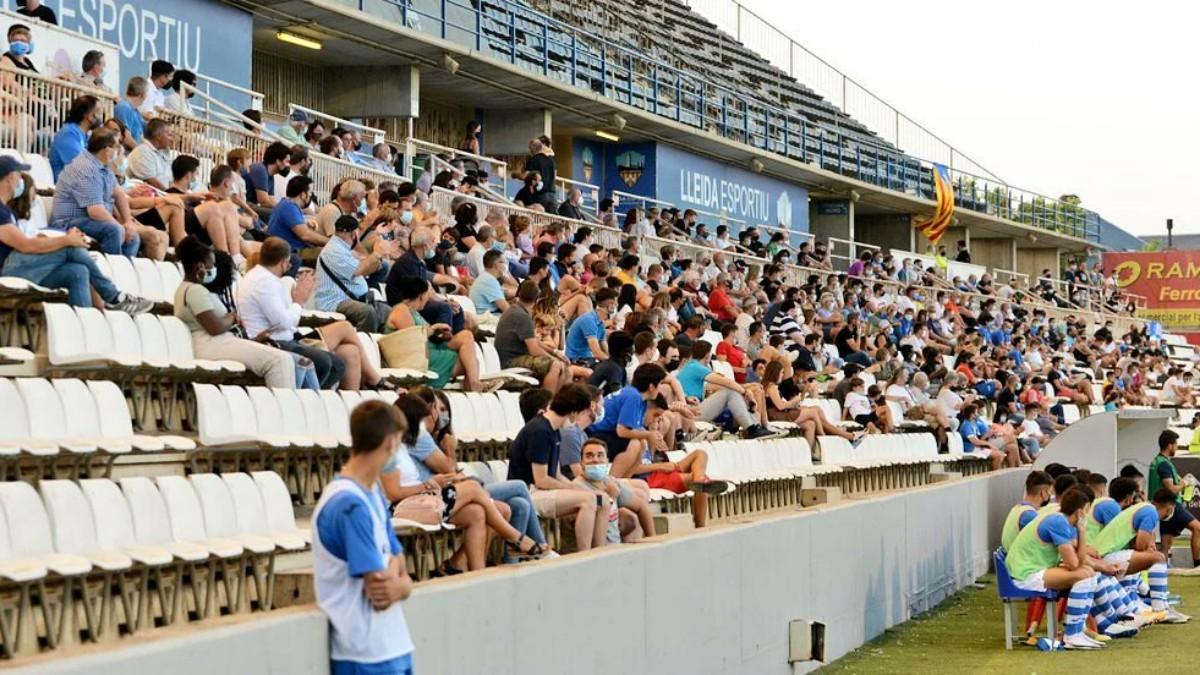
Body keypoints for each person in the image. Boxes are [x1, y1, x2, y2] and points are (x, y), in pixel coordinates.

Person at [312, 399, 415, 675]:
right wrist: (402, 583)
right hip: (365, 653)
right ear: (391, 443)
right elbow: (379, 588)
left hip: (393, 644)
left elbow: (399, 564)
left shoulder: (373, 494)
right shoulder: (349, 505)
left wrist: (402, 584)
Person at [239, 237, 394, 391]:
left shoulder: (265, 278)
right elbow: (284, 323)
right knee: (333, 358)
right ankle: (371, 381)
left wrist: (297, 301)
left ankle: (351, 404)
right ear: (285, 262)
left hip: (285, 336)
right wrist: (299, 301)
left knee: (349, 351)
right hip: (277, 342)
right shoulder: (265, 282)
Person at [0, 157, 151, 312]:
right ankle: (113, 296)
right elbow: (25, 245)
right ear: (10, 177)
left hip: (21, 267)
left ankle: (86, 326)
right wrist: (66, 240)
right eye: (19, 174)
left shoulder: (5, 211)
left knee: (78, 272)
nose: (21, 180)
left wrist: (65, 239)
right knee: (70, 246)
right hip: (7, 270)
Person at [1005, 486, 1142, 649]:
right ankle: (1075, 633)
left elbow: (1081, 559)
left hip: (1028, 571)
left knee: (1089, 572)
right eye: (1087, 510)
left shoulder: (1062, 521)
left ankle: (1089, 627)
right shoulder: (1058, 522)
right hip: (1024, 576)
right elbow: (1074, 564)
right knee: (1085, 574)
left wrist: (1103, 566)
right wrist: (1082, 532)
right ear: (1080, 511)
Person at [174, 236, 295, 387]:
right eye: (211, 265)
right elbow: (215, 328)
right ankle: (282, 407)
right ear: (200, 266)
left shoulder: (185, 288)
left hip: (218, 342)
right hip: (211, 344)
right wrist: (231, 318)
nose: (214, 270)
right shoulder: (195, 290)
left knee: (285, 359)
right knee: (280, 360)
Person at [508, 385, 610, 551]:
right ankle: (585, 554)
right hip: (530, 491)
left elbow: (555, 474)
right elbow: (541, 480)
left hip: (543, 489)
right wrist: (579, 491)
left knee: (602, 499)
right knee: (588, 500)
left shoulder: (554, 430)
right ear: (573, 412)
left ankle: (599, 550)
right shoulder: (540, 430)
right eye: (583, 414)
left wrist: (577, 487)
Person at [1091, 477, 1188, 623]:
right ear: (1170, 507)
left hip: (1101, 556)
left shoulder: (1143, 508)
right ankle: (1160, 609)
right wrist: (1149, 546)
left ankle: (1148, 604)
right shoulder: (1150, 512)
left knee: (1147, 558)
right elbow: (1140, 545)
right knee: (1158, 558)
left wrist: (1148, 546)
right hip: (1103, 558)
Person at [50, 129, 143, 257]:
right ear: (107, 149)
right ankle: (111, 271)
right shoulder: (87, 169)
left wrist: (128, 222)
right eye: (116, 146)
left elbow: (119, 194)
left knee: (132, 236)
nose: (119, 150)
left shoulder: (103, 167)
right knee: (115, 230)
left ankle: (124, 272)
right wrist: (120, 227)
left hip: (90, 220)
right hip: (69, 222)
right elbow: (95, 211)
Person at [386, 277, 485, 392]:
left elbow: (422, 333)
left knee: (466, 338)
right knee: (472, 364)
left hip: (426, 350)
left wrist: (439, 333)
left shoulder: (413, 311)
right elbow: (413, 339)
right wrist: (434, 329)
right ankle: (473, 387)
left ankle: (473, 386)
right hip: (416, 356)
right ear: (422, 295)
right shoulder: (401, 310)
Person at [677, 341, 775, 439]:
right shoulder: (696, 367)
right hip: (690, 412)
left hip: (691, 409)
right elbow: (726, 382)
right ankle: (752, 429)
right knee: (731, 392)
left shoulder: (691, 366)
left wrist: (746, 387)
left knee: (734, 392)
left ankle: (756, 426)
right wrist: (745, 392)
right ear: (708, 355)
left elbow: (719, 386)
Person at [314, 215, 392, 332]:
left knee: (387, 312)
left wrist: (378, 253)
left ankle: (380, 345)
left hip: (351, 298)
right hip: (335, 301)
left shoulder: (343, 247)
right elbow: (359, 269)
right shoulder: (334, 250)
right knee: (367, 312)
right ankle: (364, 345)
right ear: (354, 234)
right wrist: (377, 253)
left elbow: (364, 261)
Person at [495, 281, 569, 391]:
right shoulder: (522, 317)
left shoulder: (513, 310)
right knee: (556, 365)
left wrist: (554, 352)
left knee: (562, 366)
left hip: (508, 358)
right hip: (511, 361)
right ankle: (547, 401)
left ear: (519, 294)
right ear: (537, 299)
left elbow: (534, 341)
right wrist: (554, 359)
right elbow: (534, 350)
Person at [1149, 429, 1200, 569]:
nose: (1177, 447)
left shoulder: (1156, 461)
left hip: (1160, 505)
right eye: (1176, 444)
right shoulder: (1164, 464)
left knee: (1166, 542)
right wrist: (1184, 483)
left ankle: (1162, 569)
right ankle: (1197, 565)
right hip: (1170, 504)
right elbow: (1171, 488)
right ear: (1170, 445)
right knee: (1198, 528)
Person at [268, 175, 328, 267]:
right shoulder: (289, 206)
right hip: (291, 252)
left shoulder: (284, 204)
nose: (311, 195)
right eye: (310, 193)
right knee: (331, 254)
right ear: (303, 195)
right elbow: (305, 235)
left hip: (289, 250)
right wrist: (330, 242)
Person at [49, 95, 103, 180]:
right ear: (89, 116)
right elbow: (82, 168)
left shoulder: (85, 136)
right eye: (99, 113)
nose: (101, 117)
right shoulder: (68, 134)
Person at [1001, 470, 1053, 551]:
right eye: (1050, 491)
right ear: (1043, 493)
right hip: (1020, 562)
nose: (1050, 494)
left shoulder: (1018, 508)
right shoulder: (1029, 516)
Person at [566, 287, 616, 365]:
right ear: (610, 305)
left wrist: (614, 359)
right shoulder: (589, 320)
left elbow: (604, 347)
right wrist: (614, 362)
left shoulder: (600, 322)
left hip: (587, 358)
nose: (617, 305)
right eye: (615, 303)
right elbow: (597, 353)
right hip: (575, 359)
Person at [127, 118, 177, 191]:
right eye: (169, 135)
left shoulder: (162, 152)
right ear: (159, 135)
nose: (172, 139)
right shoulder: (142, 151)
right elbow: (152, 182)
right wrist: (171, 194)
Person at [468, 249, 509, 315]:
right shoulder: (488, 280)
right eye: (504, 262)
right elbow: (505, 307)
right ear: (496, 265)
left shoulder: (486, 277)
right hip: (488, 318)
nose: (506, 265)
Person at [113, 77, 148, 148]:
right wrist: (141, 153)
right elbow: (126, 138)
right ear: (143, 94)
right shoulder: (124, 107)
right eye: (147, 92)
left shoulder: (136, 111)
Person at [525, 138, 556, 210]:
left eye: (530, 148)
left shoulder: (533, 160)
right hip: (552, 195)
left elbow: (526, 175)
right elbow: (555, 175)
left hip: (540, 194)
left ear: (533, 149)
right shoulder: (551, 160)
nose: (529, 151)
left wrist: (516, 175)